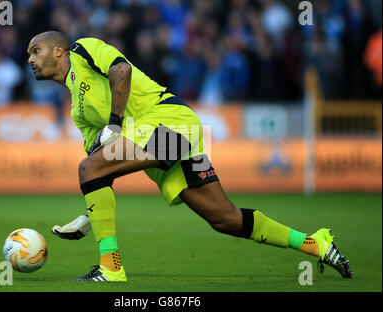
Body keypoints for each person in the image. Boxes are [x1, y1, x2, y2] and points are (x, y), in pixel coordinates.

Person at [27, 31, 352, 282]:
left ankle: (110, 267)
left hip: (171, 124)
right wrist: (91, 213)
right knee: (225, 219)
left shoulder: (84, 50)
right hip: (165, 147)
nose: (30, 58)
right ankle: (316, 244)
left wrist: (113, 123)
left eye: (35, 51)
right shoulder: (77, 112)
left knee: (89, 168)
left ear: (59, 50)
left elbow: (121, 70)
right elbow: (100, 164)